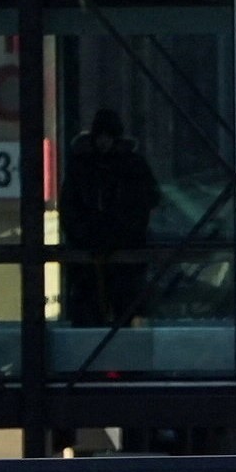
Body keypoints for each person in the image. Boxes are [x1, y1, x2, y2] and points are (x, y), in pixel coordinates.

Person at [59, 110, 161, 328]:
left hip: (108, 258)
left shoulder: (85, 166)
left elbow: (144, 203)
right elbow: (69, 209)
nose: (104, 141)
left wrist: (94, 236)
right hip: (102, 259)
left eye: (108, 136)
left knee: (109, 314)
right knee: (103, 315)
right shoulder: (126, 166)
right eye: (101, 136)